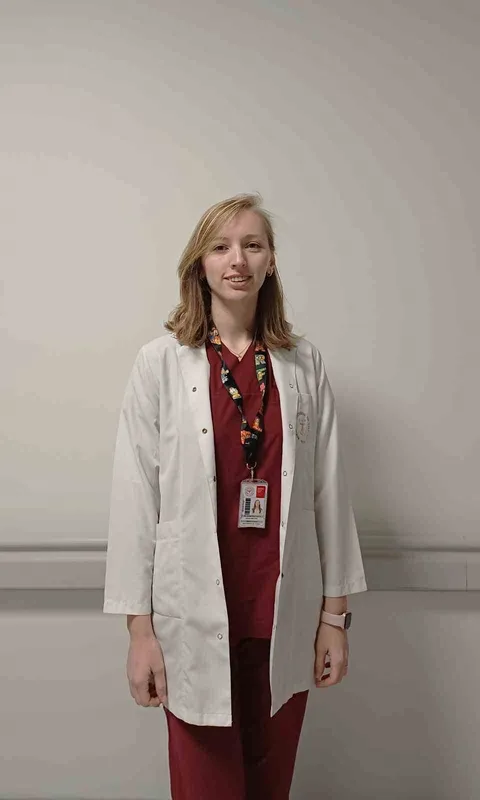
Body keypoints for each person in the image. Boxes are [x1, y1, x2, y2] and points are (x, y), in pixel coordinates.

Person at [103, 192, 367, 799]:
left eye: (253, 245)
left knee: (271, 788)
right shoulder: (160, 365)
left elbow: (329, 493)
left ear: (271, 261)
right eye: (221, 247)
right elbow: (135, 500)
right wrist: (140, 634)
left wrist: (334, 619)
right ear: (200, 264)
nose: (237, 260)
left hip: (282, 616)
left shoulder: (303, 365)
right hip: (191, 623)